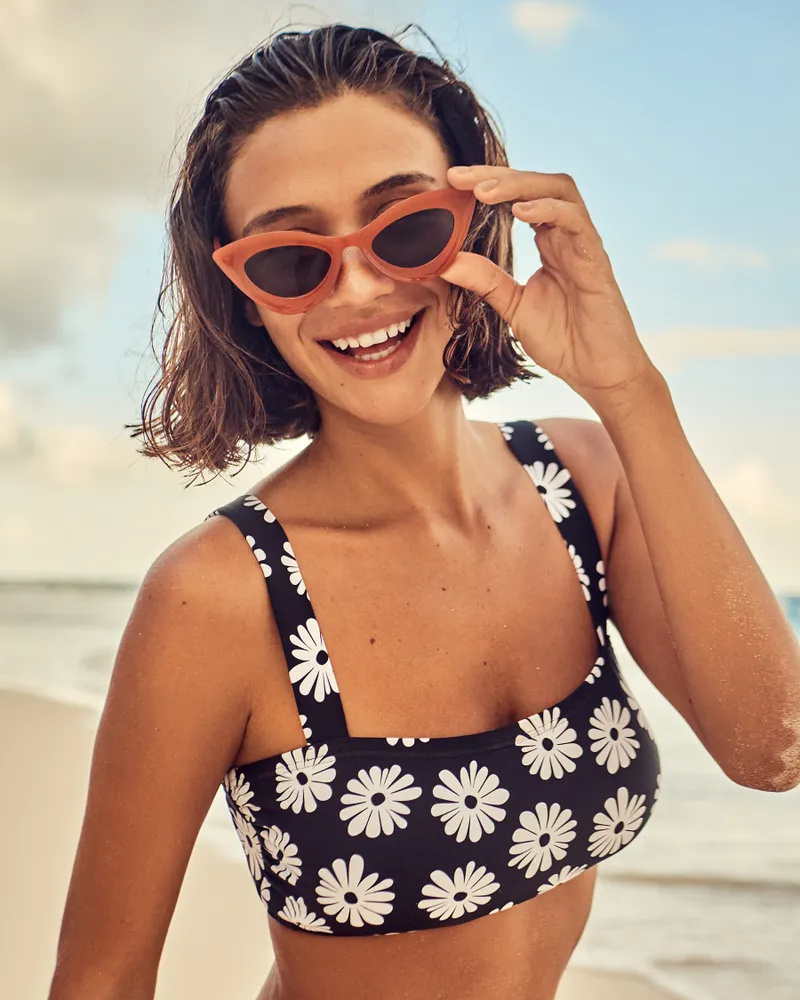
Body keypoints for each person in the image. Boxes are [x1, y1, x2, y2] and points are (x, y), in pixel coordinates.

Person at [47, 21, 800, 1000]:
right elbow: (102, 979)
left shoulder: (584, 482)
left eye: (403, 227)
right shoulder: (218, 595)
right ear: (245, 300)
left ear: (473, 221)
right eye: (291, 258)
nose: (357, 287)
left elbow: (770, 746)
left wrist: (629, 391)